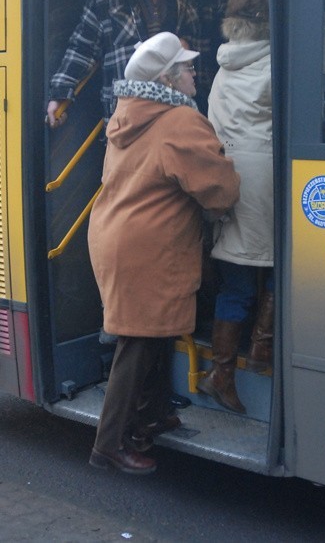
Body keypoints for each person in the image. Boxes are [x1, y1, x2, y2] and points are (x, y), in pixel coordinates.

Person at [87, 32, 240, 474]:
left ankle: (150, 417)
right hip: (148, 247)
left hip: (116, 237)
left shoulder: (130, 114)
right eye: (188, 68)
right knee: (136, 342)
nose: (195, 73)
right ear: (169, 80)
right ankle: (108, 444)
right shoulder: (179, 123)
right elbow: (220, 189)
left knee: (152, 333)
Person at [46, 0, 219, 127]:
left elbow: (221, 39)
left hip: (189, 112)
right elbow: (82, 48)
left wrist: (187, 43)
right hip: (128, 120)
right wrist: (59, 94)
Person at [197, 0, 273, 415]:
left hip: (224, 176)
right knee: (279, 264)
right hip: (263, 177)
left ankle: (221, 370)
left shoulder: (224, 65)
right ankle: (257, 353)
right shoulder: (275, 64)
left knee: (236, 276)